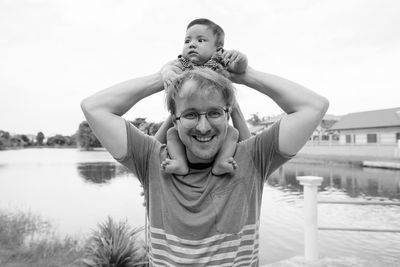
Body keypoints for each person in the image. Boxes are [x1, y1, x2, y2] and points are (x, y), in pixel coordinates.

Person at [81, 32, 329, 267]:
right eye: (190, 114)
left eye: (214, 112)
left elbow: (314, 106)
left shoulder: (251, 159)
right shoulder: (154, 161)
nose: (203, 126)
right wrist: (163, 77)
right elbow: (94, 107)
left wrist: (246, 76)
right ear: (175, 120)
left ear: (227, 114)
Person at [158, 18, 250, 176]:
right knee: (171, 134)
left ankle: (222, 160)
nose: (192, 44)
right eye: (188, 40)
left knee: (232, 133)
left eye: (200, 40)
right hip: (188, 129)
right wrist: (167, 74)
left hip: (217, 128)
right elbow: (167, 67)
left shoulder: (220, 60)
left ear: (218, 48)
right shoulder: (183, 64)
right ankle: (180, 162)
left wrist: (241, 59)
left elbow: (240, 69)